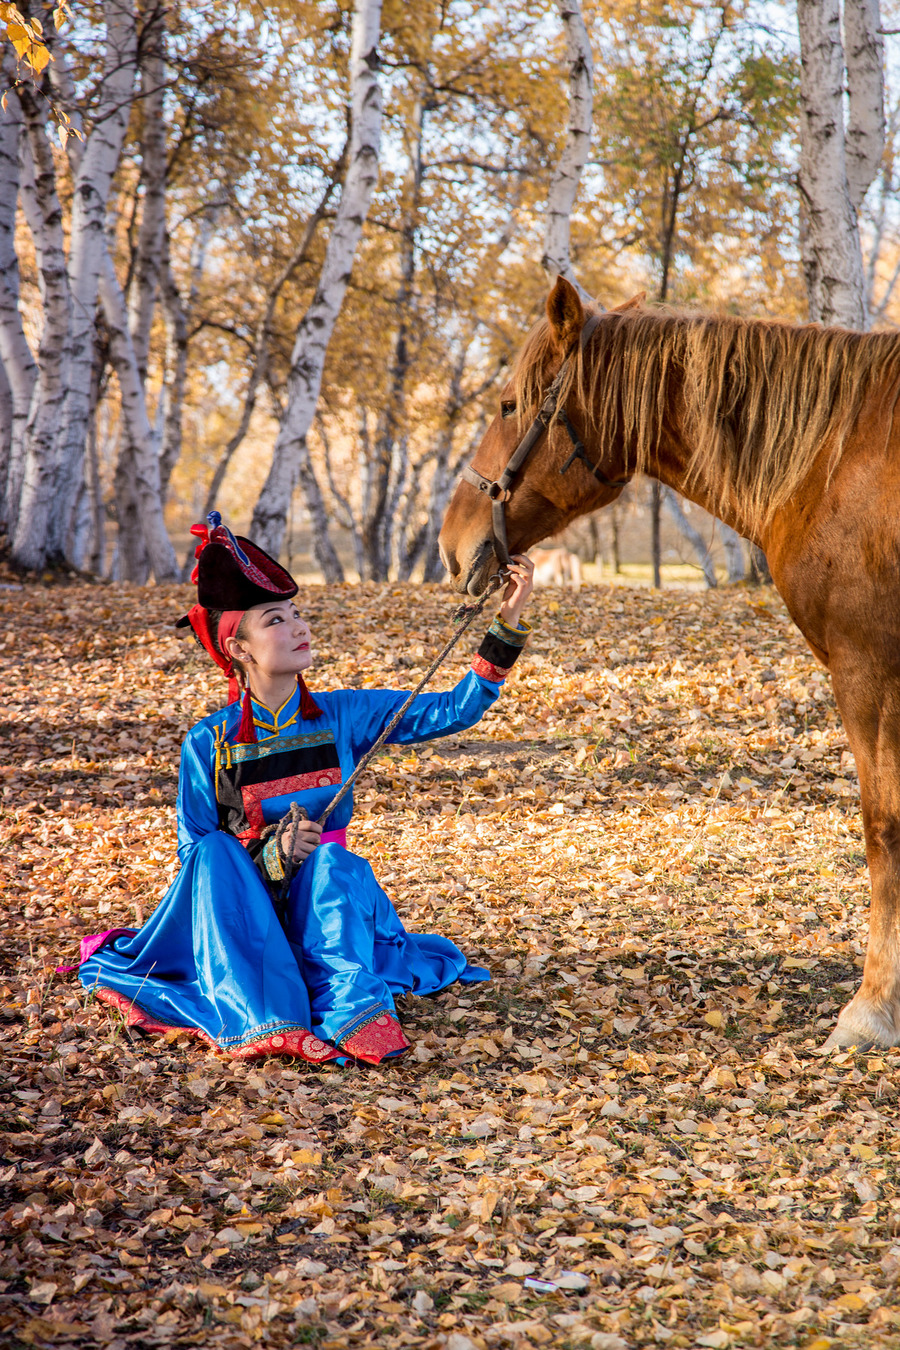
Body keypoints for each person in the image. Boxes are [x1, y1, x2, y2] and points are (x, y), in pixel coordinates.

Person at [71, 513, 534, 1065]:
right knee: (218, 849)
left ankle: (353, 1009)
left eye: (297, 615)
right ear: (239, 649)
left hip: (327, 898)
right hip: (246, 915)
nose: (298, 628)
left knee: (334, 866)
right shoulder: (208, 742)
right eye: (275, 620)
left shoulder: (345, 714)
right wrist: (268, 854)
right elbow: (195, 852)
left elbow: (452, 710)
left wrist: (509, 616)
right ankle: (264, 1017)